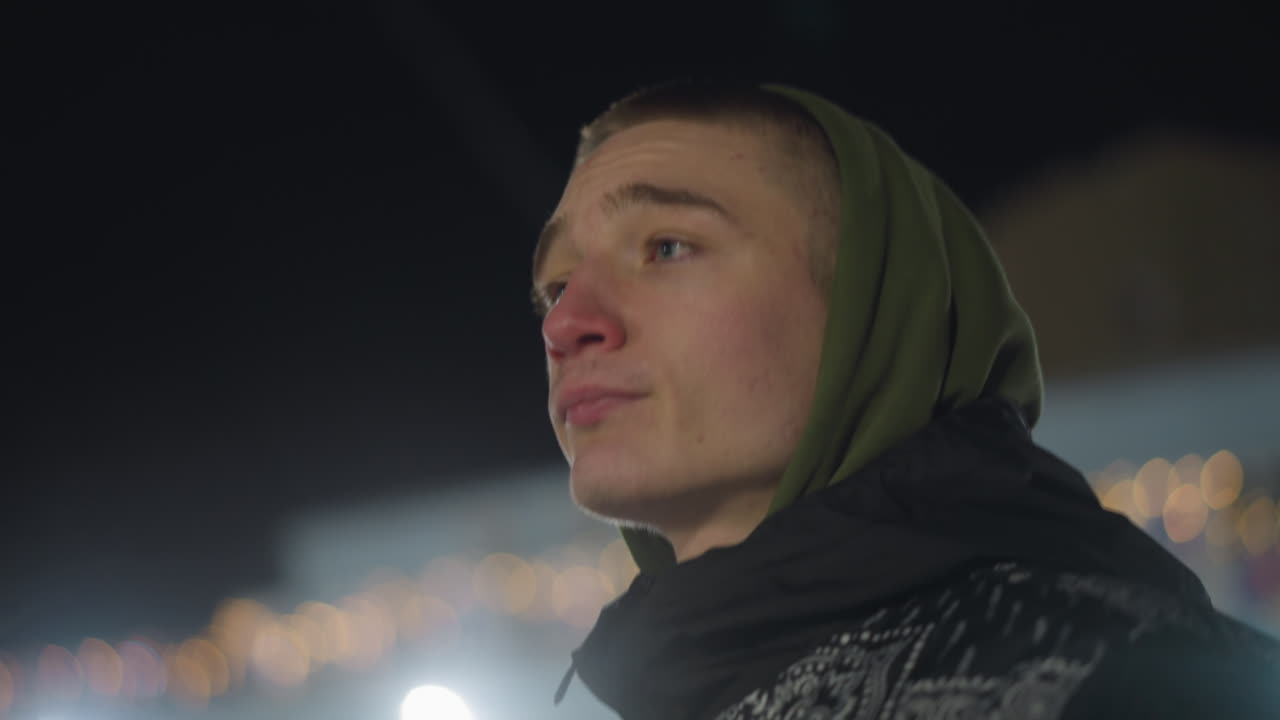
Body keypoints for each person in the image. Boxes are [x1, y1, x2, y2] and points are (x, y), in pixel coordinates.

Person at [530, 80, 1280, 719]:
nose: (565, 323)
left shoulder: (1131, 680)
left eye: (666, 247)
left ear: (876, 307)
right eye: (557, 285)